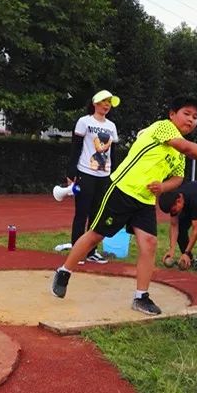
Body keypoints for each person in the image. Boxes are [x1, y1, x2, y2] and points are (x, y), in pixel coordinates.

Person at [52, 97, 197, 314]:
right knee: (96, 235)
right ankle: (64, 271)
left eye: (195, 117)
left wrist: (163, 187)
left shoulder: (179, 155)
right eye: (187, 113)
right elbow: (187, 147)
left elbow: (178, 179)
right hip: (122, 190)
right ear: (172, 114)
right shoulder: (163, 127)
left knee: (150, 243)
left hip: (145, 201)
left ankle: (141, 297)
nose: (192, 120)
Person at [66, 90, 120, 265]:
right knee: (81, 213)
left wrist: (115, 174)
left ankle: (91, 251)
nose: (106, 105)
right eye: (103, 102)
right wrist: (71, 173)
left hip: (104, 175)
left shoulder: (112, 126)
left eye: (109, 102)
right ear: (95, 103)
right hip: (85, 172)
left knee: (98, 215)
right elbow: (75, 148)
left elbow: (114, 153)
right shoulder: (84, 122)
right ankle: (77, 250)